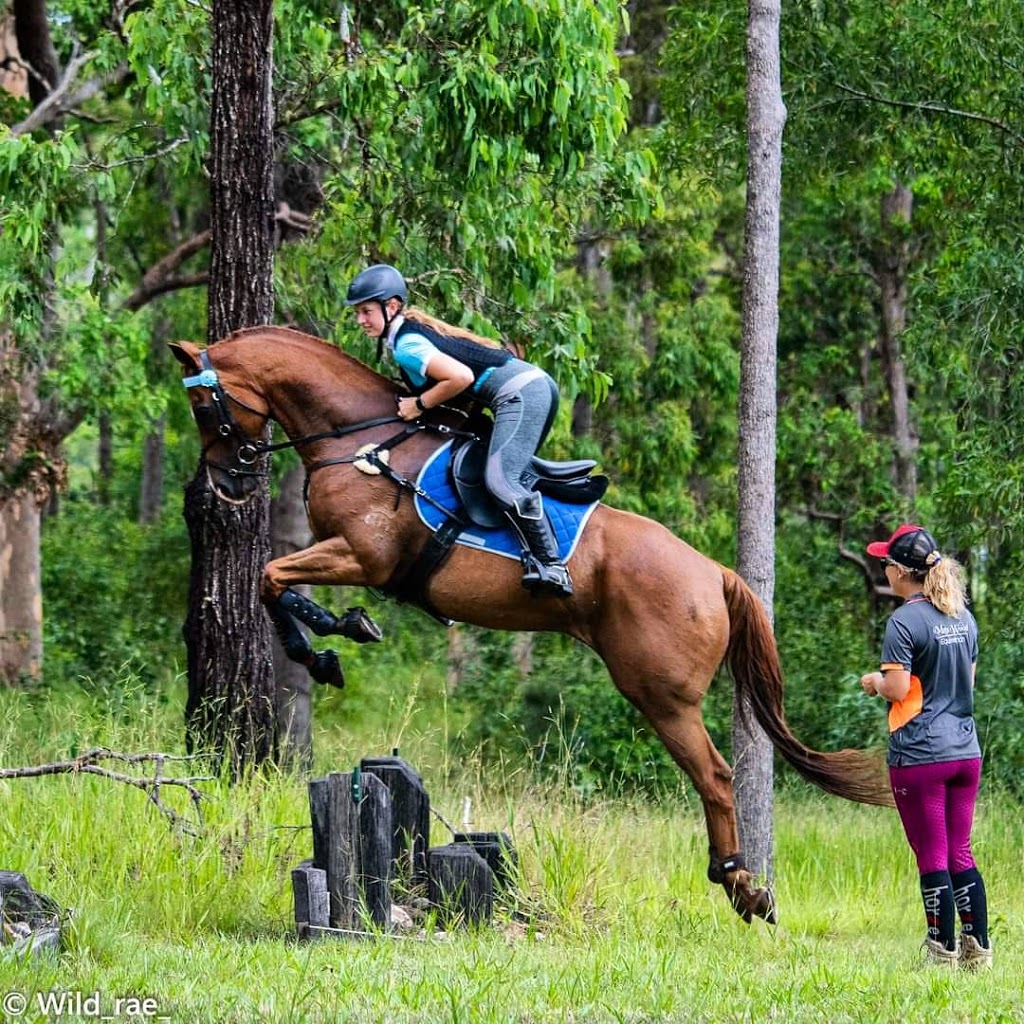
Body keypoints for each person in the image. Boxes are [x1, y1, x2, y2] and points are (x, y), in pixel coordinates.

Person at [344, 263, 573, 599]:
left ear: (391, 307)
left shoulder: (408, 345)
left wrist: (418, 405)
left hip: (521, 395)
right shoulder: (406, 334)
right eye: (357, 313)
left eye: (366, 311)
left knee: (501, 481)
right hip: (528, 389)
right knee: (493, 469)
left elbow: (461, 378)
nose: (361, 320)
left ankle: (552, 565)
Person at [859, 524, 992, 971]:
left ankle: (941, 952)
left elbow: (897, 688)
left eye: (886, 564)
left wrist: (874, 683)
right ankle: (979, 950)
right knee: (961, 852)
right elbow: (966, 685)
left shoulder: (903, 622)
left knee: (932, 853)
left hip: (920, 755)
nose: (884, 569)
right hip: (965, 752)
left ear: (900, 572)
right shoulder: (963, 617)